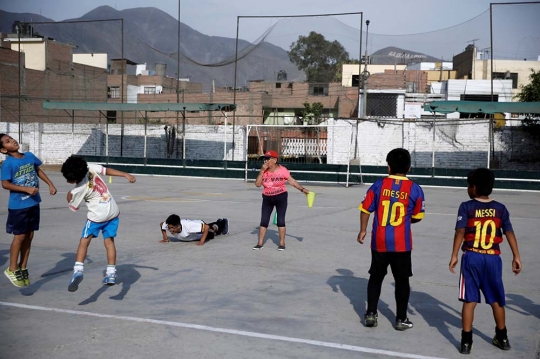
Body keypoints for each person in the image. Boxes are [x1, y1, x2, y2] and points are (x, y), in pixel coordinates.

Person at [449, 168, 522, 354]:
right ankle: (502, 337)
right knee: (496, 300)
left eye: (468, 185)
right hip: (492, 258)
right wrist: (516, 255)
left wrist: (454, 255)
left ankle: (466, 342)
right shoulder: (500, 208)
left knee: (469, 300)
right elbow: (509, 232)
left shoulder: (466, 206)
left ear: (473, 188)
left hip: (472, 256)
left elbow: (460, 231)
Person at [357, 148, 425, 330]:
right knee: (402, 281)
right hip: (402, 244)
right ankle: (401, 319)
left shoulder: (378, 185)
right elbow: (418, 216)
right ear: (409, 168)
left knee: (376, 277)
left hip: (379, 241)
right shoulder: (415, 189)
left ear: (388, 167)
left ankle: (371, 313)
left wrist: (363, 230)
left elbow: (365, 209)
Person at [60, 155, 136, 292]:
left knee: (84, 241)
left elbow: (73, 207)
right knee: (109, 242)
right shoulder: (89, 168)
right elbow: (107, 171)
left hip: (97, 217)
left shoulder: (78, 189)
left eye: (68, 179)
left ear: (75, 178)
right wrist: (125, 174)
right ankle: (111, 274)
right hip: (113, 212)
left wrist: (69, 195)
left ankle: (78, 270)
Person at [1, 134, 57, 287]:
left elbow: (37, 170)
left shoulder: (30, 156)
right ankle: (12, 269)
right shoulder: (8, 164)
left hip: (33, 203)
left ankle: (23, 266)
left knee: (30, 235)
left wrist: (50, 184)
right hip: (18, 207)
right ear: (3, 149)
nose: (12, 141)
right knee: (19, 237)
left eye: (11, 138)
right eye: (7, 141)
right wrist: (24, 188)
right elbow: (5, 184)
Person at [253, 150, 310, 251]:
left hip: (281, 197)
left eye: (268, 159)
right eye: (264, 159)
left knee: (280, 220)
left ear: (275, 160)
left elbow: (292, 181)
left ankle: (282, 243)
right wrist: (261, 171)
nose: (265, 161)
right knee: (264, 220)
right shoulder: (264, 171)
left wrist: (302, 189)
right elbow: (257, 184)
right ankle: (260, 243)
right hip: (267, 198)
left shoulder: (282, 170)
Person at [160, 214, 229, 245]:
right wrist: (166, 238)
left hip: (198, 229)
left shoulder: (188, 226)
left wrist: (202, 242)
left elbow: (206, 227)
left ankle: (223, 222)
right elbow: (161, 224)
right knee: (210, 227)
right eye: (169, 228)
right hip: (194, 231)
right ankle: (218, 221)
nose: (170, 230)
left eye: (172, 228)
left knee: (212, 231)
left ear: (178, 226)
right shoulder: (169, 225)